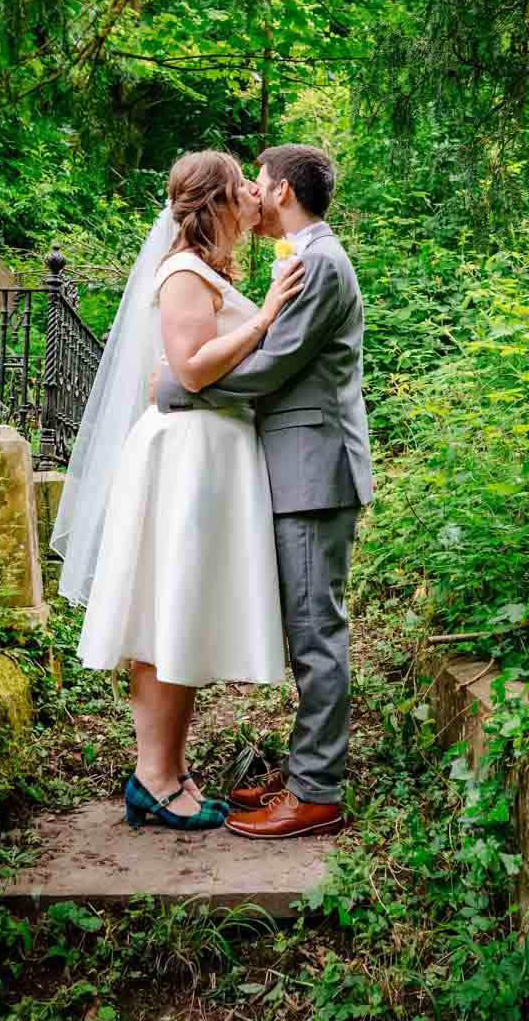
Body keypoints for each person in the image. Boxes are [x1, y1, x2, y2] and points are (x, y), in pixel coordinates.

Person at [50, 150, 306, 831]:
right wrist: (266, 315)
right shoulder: (184, 272)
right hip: (185, 463)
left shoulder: (205, 271)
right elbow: (189, 371)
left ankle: (169, 771)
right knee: (165, 616)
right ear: (217, 204)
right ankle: (153, 778)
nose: (255, 198)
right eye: (243, 191)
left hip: (209, 459)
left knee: (180, 614)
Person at [155, 143, 373, 840]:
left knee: (317, 635)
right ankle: (306, 770)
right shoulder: (307, 258)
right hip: (299, 467)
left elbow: (272, 366)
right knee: (306, 629)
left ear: (280, 190)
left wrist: (177, 387)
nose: (251, 193)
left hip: (314, 469)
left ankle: (317, 793)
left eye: (258, 181)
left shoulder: (320, 263)